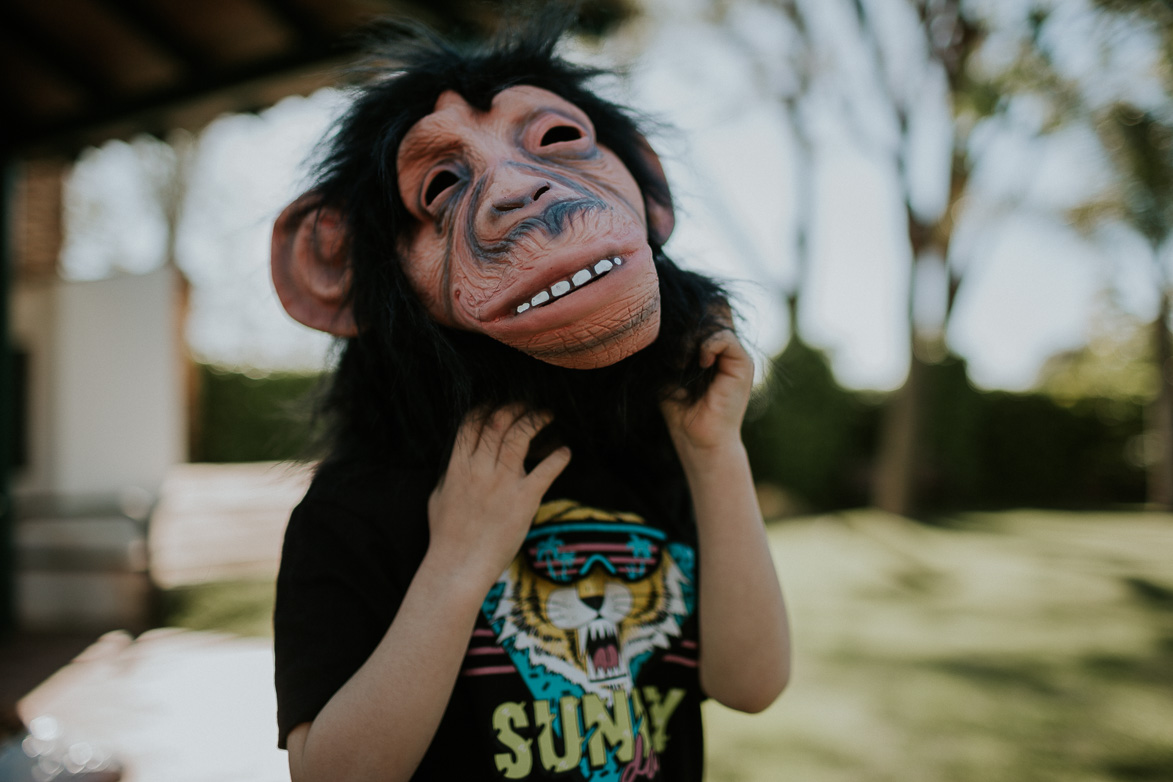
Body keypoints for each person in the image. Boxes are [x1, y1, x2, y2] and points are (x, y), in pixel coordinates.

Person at [269, 14, 790, 782]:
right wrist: (457, 561)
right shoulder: (357, 505)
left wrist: (714, 455)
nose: (516, 187)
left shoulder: (660, 451)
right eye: (441, 185)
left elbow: (750, 686)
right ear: (337, 268)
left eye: (555, 139)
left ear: (647, 185)